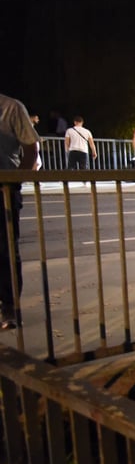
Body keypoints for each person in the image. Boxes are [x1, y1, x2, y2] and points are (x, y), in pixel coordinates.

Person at [0, 93, 41, 329]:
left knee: (6, 248)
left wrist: (17, 180)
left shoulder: (11, 108)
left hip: (4, 188)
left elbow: (30, 146)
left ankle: (10, 307)